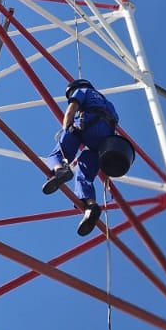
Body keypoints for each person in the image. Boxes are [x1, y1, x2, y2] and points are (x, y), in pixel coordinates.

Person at [42, 79, 118, 237]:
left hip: (87, 125)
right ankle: (91, 206)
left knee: (58, 153)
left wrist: (66, 128)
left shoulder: (81, 91)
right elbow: (115, 121)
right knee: (84, 173)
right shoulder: (106, 101)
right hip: (104, 141)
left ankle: (60, 170)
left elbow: (72, 109)